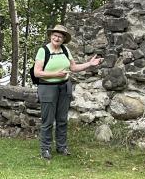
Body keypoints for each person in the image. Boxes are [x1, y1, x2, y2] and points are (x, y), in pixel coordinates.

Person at [33, 24, 103, 160]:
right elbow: (37, 73)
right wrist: (55, 74)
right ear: (50, 36)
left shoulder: (65, 50)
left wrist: (90, 64)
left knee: (62, 119)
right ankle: (45, 149)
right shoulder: (43, 51)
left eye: (60, 36)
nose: (57, 38)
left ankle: (62, 147)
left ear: (64, 39)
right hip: (47, 88)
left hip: (64, 86)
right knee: (48, 120)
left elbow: (74, 67)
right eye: (55, 35)